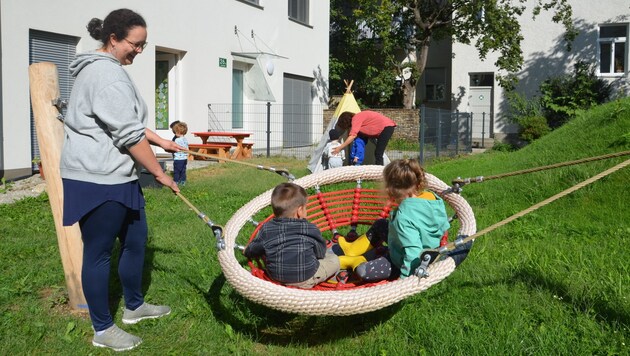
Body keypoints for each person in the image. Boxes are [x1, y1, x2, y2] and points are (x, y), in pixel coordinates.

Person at [59, 9, 181, 351]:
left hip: (119, 175)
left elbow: (120, 121)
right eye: (135, 44)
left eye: (143, 45)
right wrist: (159, 173)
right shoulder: (105, 75)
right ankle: (102, 328)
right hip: (97, 178)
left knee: (136, 239)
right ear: (113, 39)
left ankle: (134, 306)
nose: (139, 52)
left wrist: (159, 140)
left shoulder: (109, 70)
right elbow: (127, 135)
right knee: (98, 253)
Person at [337, 159, 450, 282]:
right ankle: (352, 249)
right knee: (381, 224)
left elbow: (413, 254)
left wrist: (404, 282)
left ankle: (355, 261)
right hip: (423, 245)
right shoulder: (432, 197)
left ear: (389, 190)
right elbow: (444, 225)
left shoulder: (403, 218)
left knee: (363, 271)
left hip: (402, 260)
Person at [243, 182, 340, 288]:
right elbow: (320, 253)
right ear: (299, 211)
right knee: (334, 260)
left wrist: (247, 251)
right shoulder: (310, 228)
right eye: (305, 208)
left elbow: (253, 250)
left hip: (276, 277)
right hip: (305, 278)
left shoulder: (266, 228)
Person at [332, 110, 397, 165]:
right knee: (359, 142)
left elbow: (352, 136)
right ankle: (357, 159)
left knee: (378, 153)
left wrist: (340, 148)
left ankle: (380, 173)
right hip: (384, 127)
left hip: (386, 127)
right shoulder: (359, 120)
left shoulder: (356, 118)